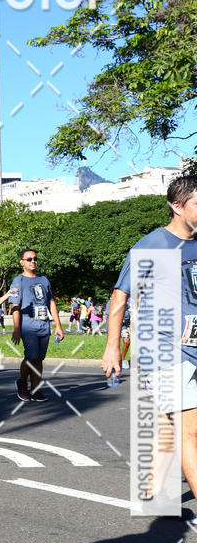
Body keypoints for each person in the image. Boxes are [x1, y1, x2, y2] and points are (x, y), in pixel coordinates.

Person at [102, 174, 197, 504]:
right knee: (190, 430)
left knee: (170, 427)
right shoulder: (155, 245)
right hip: (166, 351)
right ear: (177, 206)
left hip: (192, 349)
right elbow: (119, 297)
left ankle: (152, 493)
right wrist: (113, 347)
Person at [9, 249, 64, 402]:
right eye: (29, 259)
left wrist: (58, 326)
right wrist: (17, 329)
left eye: (35, 259)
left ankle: (35, 390)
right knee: (31, 356)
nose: (33, 261)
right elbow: (15, 306)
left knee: (39, 359)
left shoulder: (44, 280)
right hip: (28, 327)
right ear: (22, 262)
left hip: (44, 325)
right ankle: (21, 381)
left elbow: (51, 303)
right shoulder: (18, 281)